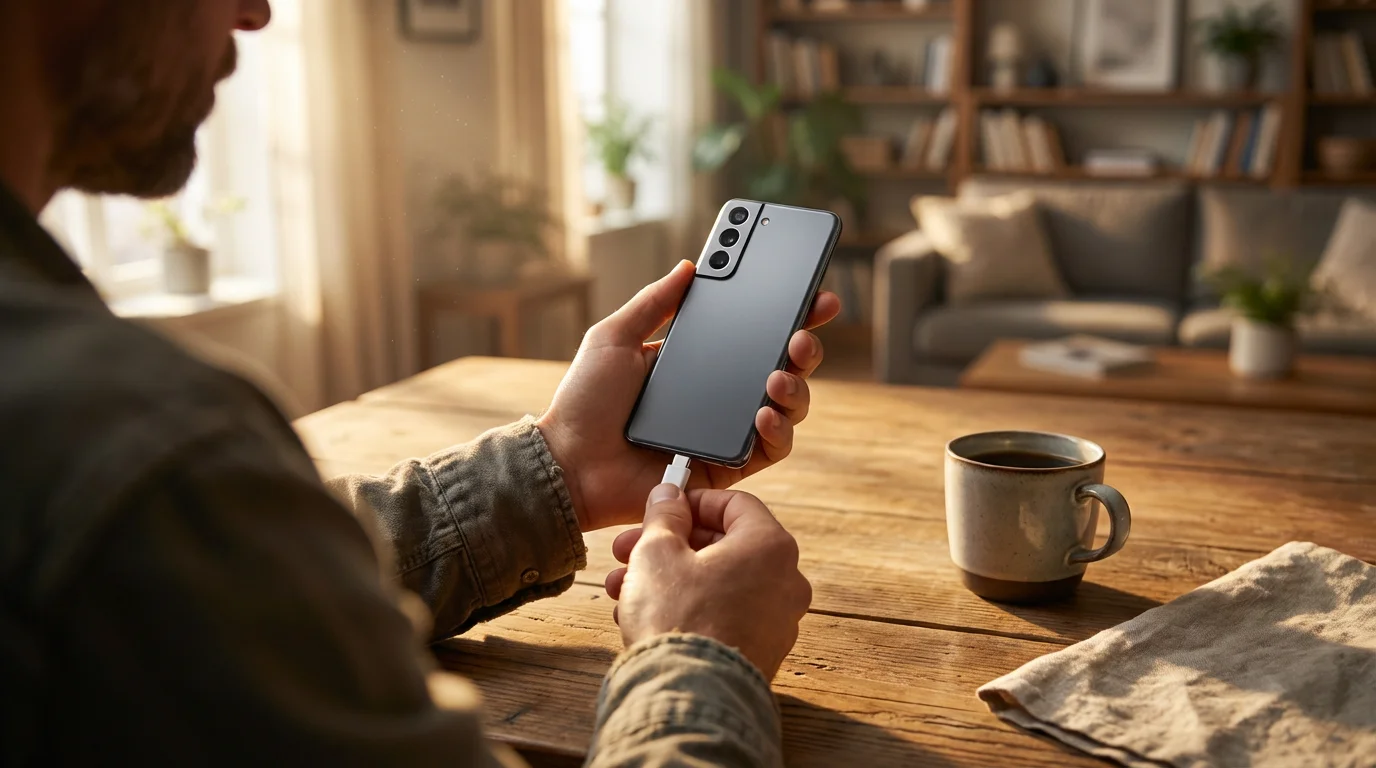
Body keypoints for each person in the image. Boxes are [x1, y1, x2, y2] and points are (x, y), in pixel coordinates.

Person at [0, 1, 840, 765]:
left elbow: (207, 614)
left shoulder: (132, 479)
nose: (257, 14)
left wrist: (559, 471)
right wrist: (700, 658)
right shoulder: (142, 457)